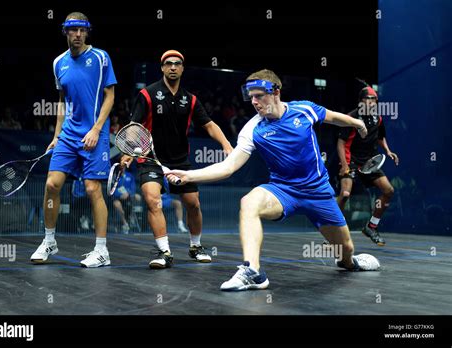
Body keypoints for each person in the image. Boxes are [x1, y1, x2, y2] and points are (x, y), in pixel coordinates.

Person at [166, 69, 381, 291]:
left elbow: (334, 117)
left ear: (276, 91)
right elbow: (228, 167)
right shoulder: (253, 129)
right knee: (249, 202)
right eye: (250, 97)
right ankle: (253, 271)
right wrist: (189, 175)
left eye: (259, 95)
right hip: (283, 191)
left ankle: (350, 261)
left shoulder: (304, 110)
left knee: (345, 252)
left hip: (319, 193)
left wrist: (357, 124)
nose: (254, 102)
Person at [120, 50, 233, 269]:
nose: (173, 67)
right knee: (153, 200)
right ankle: (164, 252)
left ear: (182, 68)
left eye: (177, 64)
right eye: (168, 64)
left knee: (193, 204)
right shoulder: (147, 94)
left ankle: (196, 246)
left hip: (180, 161)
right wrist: (129, 152)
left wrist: (226, 144)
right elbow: (133, 127)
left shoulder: (190, 100)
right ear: (162, 68)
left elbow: (209, 125)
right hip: (150, 158)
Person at [30, 12, 117, 267]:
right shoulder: (59, 62)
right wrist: (56, 135)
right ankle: (49, 241)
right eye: (72, 30)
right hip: (68, 134)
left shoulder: (101, 57)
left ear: (87, 32)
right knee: (52, 185)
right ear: (65, 32)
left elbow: (110, 96)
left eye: (81, 30)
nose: (77, 35)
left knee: (92, 189)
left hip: (95, 133)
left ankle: (102, 251)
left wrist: (96, 129)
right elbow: (61, 102)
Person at [337, 86, 399, 246]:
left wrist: (388, 150)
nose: (371, 102)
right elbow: (341, 143)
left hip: (369, 162)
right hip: (350, 161)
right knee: (344, 194)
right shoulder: (351, 117)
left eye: (373, 99)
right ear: (361, 101)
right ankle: (333, 232)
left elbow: (380, 137)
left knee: (389, 190)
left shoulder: (377, 118)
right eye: (367, 99)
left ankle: (371, 226)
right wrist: (344, 165)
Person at [112, 169, 142, 233]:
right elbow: (112, 189)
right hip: (117, 198)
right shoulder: (114, 176)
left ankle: (134, 219)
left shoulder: (129, 175)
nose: (122, 168)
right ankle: (125, 223)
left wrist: (129, 193)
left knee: (138, 197)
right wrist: (120, 195)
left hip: (128, 196)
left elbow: (133, 187)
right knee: (117, 204)